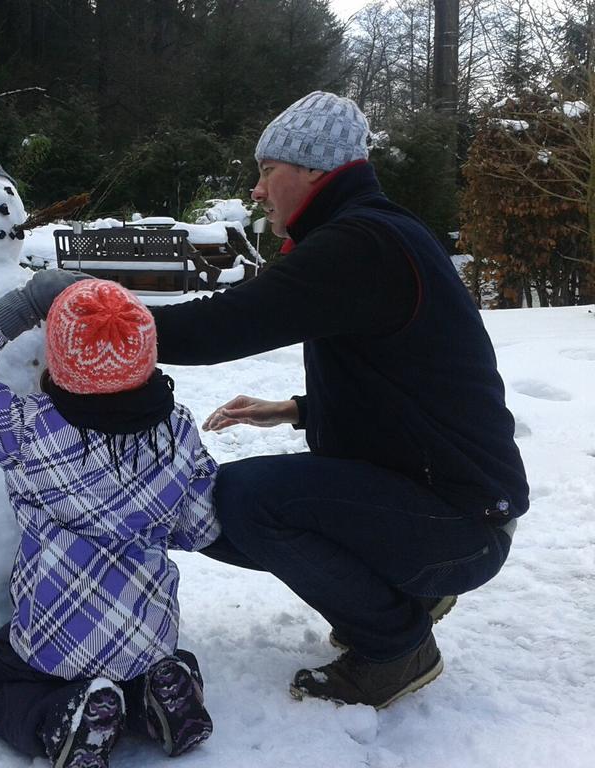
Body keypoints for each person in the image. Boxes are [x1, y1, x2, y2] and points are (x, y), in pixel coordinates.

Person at [139, 91, 528, 708]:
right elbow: (415, 382)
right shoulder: (378, 235)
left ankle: (396, 645)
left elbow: (220, 327)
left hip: (460, 522)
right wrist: (299, 408)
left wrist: (86, 324)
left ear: (315, 170)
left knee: (241, 501)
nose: (259, 191)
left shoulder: (361, 244)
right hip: (455, 506)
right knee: (211, 507)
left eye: (268, 171)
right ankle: (407, 592)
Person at [0, 274, 221, 767]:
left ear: (60, 361)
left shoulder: (25, 429)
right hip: (149, 632)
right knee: (145, 657)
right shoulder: (179, 429)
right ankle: (159, 696)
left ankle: (65, 715)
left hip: (51, 637)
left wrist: (24, 306)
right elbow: (201, 526)